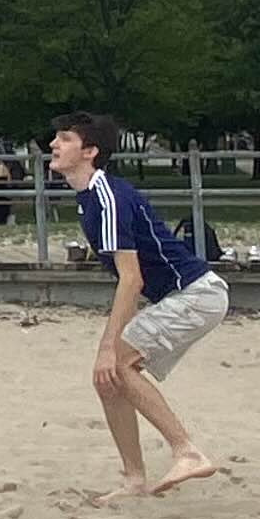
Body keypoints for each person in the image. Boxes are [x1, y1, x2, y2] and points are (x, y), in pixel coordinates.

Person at [47, 113, 225, 493]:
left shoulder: (107, 196)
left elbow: (132, 279)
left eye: (64, 138)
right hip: (185, 297)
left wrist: (108, 346)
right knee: (108, 380)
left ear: (90, 151)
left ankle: (187, 451)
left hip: (197, 294)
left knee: (117, 364)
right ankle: (134, 479)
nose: (53, 144)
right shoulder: (89, 198)